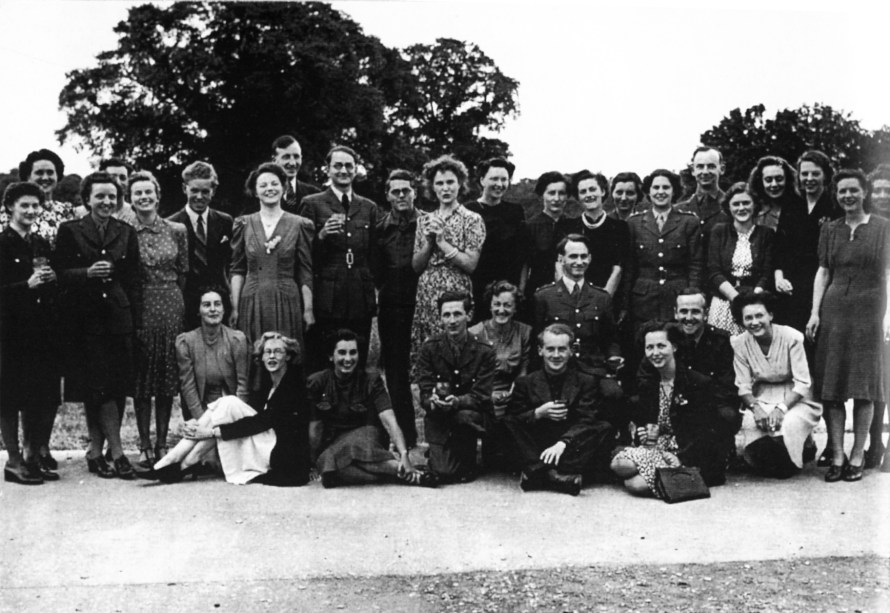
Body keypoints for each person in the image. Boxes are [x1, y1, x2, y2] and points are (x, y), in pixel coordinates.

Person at [53, 171, 142, 479]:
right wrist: (87, 273)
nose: (106, 201)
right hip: (85, 318)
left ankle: (95, 451)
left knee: (115, 385)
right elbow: (58, 273)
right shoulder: (70, 230)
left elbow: (134, 279)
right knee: (96, 384)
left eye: (111, 196)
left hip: (119, 318)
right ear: (87, 199)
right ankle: (117, 452)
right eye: (99, 196)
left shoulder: (126, 231)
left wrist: (136, 321)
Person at [806, 169, 890, 483]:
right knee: (832, 387)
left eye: (853, 191)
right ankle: (838, 454)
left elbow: (888, 274)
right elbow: (823, 272)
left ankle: (859, 453)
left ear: (864, 192)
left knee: (865, 386)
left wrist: (888, 315)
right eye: (842, 192)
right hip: (835, 310)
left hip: (870, 308)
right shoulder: (830, 228)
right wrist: (815, 313)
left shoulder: (883, 228)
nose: (848, 197)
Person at [143, 332, 311, 486]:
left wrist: (210, 432)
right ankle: (184, 463)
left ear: (288, 356)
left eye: (278, 352)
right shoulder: (270, 382)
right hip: (268, 442)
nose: (272, 356)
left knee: (229, 402)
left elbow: (261, 422)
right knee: (226, 404)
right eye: (268, 352)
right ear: (262, 357)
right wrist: (204, 428)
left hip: (282, 455)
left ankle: (176, 463)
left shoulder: (293, 385)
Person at [610, 321, 736, 496]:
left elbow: (707, 432)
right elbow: (646, 424)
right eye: (650, 348)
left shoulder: (698, 383)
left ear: (674, 347)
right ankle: (661, 475)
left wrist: (681, 458)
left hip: (689, 451)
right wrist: (643, 435)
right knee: (619, 464)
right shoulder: (648, 383)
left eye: (661, 346)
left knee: (634, 485)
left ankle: (664, 475)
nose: (655, 353)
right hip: (659, 448)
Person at [308, 329, 435, 488]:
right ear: (331, 356)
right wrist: (313, 462)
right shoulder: (317, 382)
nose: (348, 359)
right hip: (335, 443)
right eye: (342, 353)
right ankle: (403, 473)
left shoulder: (371, 380)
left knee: (351, 448)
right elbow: (315, 428)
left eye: (353, 353)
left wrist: (403, 453)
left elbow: (389, 420)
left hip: (367, 438)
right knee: (330, 471)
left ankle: (400, 467)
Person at [504, 323, 615, 495]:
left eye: (562, 349)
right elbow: (514, 417)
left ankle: (538, 474)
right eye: (550, 349)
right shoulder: (525, 382)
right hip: (538, 443)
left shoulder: (586, 381)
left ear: (571, 351)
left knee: (603, 427)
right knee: (508, 422)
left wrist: (564, 442)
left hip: (568, 446)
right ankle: (555, 476)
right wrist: (537, 413)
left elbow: (587, 419)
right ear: (540, 350)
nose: (556, 355)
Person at [0, 182, 60, 484]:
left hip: (40, 329)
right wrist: (27, 286)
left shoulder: (40, 242)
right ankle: (12, 460)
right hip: (10, 331)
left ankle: (31, 455)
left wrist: (50, 280)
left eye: (35, 206)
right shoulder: (2, 242)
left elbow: (48, 283)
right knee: (10, 396)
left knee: (40, 394)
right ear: (10, 206)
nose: (31, 211)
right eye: (24, 205)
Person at [129, 171, 189, 467]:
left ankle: (163, 442)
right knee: (142, 377)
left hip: (170, 302)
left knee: (166, 376)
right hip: (141, 304)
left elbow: (184, 271)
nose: (143, 198)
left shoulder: (177, 229)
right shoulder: (127, 231)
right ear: (131, 198)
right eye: (137, 193)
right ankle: (143, 444)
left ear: (157, 195)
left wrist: (174, 300)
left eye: (148, 192)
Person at [299, 146, 378, 367]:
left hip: (359, 295)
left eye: (348, 166)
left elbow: (374, 254)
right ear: (328, 169)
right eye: (338, 165)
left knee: (358, 355)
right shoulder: (312, 203)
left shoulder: (368, 207)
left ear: (355, 170)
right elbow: (304, 255)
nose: (343, 170)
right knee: (326, 355)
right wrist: (322, 235)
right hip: (328, 296)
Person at [731, 291, 820, 478]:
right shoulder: (739, 343)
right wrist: (755, 408)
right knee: (752, 425)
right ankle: (771, 457)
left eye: (759, 315)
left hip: (796, 396)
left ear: (770, 315)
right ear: (742, 320)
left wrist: (781, 409)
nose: (754, 322)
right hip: (762, 394)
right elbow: (743, 385)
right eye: (748, 318)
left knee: (788, 423)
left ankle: (802, 449)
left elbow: (803, 382)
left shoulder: (792, 337)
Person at [230, 162, 314, 352]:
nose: (270, 189)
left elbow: (305, 270)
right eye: (263, 185)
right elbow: (237, 269)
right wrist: (235, 307)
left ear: (284, 187)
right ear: (255, 191)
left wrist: (308, 309)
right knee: (254, 356)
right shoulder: (243, 224)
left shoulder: (299, 224)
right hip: (252, 300)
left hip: (287, 301)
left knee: (286, 355)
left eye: (274, 184)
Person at [410, 155, 485, 367]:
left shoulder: (472, 219)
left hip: (456, 290)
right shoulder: (424, 220)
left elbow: (470, 264)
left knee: (456, 351)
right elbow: (416, 266)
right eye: (440, 183)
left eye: (450, 182)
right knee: (428, 351)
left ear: (460, 184)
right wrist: (429, 242)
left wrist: (443, 242)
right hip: (427, 292)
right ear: (432, 187)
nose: (445, 188)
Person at [415, 292, 497, 483]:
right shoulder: (430, 348)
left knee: (463, 419)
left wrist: (457, 401)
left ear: (468, 316)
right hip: (440, 416)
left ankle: (466, 454)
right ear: (440, 318)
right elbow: (425, 391)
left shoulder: (485, 350)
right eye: (446, 315)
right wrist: (432, 400)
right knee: (443, 472)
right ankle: (442, 452)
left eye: (457, 314)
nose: (452, 320)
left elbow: (482, 395)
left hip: (471, 415)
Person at [373, 169, 421, 448]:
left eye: (406, 190)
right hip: (393, 306)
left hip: (425, 303)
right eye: (396, 191)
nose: (401, 195)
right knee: (396, 372)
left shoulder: (426, 223)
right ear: (388, 195)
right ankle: (407, 436)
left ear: (415, 192)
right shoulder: (380, 228)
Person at [625, 169, 703, 330]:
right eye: (656, 188)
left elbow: (695, 265)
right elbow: (630, 268)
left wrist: (692, 297)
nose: (661, 192)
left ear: (674, 191)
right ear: (648, 191)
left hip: (677, 296)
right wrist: (625, 304)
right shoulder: (634, 223)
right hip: (643, 300)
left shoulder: (689, 222)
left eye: (666, 188)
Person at [534, 234, 621, 378]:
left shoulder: (602, 297)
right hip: (557, 370)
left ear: (590, 258)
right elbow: (536, 340)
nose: (579, 262)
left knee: (614, 394)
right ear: (561, 259)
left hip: (593, 370)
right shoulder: (544, 297)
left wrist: (614, 357)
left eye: (583, 256)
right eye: (573, 256)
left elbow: (611, 339)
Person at [774, 150, 841, 335]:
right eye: (804, 174)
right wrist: (779, 278)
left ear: (825, 175)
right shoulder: (791, 204)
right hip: (790, 288)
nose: (809, 178)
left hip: (822, 287)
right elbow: (779, 248)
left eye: (815, 174)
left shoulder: (835, 206)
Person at [167, 161, 235, 333]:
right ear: (185, 189)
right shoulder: (171, 224)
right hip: (185, 301)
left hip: (219, 302)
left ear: (213, 191)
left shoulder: (225, 221)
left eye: (205, 191)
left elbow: (231, 264)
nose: (199, 196)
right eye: (194, 191)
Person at [706, 182, 776, 335]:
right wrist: (736, 298)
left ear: (755, 205)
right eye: (736, 204)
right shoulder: (719, 231)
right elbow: (714, 271)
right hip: (724, 301)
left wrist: (752, 300)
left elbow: (766, 272)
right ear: (729, 207)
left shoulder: (766, 234)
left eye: (746, 203)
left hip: (755, 304)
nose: (741, 208)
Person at [466, 158, 528, 319]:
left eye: (504, 179)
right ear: (482, 180)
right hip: (476, 289)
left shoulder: (515, 211)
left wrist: (520, 289)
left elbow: (522, 256)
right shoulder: (468, 211)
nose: (499, 184)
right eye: (494, 179)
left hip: (508, 292)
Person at [175, 288, 250, 422]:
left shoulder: (237, 340)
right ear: (198, 310)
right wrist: (201, 421)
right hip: (201, 411)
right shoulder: (187, 342)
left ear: (224, 309)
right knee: (193, 442)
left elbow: (242, 387)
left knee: (193, 443)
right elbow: (188, 387)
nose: (213, 309)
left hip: (231, 413)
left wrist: (235, 423)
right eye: (207, 305)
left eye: (217, 304)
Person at [0, 149, 84, 245]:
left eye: (50, 172)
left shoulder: (68, 211)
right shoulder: (10, 211)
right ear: (28, 176)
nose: (45, 178)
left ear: (58, 175)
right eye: (39, 172)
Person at [521, 171, 581, 303]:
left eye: (562, 193)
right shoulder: (529, 226)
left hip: (570, 293)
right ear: (542, 195)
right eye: (551, 193)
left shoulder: (575, 225)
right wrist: (520, 294)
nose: (557, 198)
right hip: (537, 291)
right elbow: (524, 265)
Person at [865, 164, 890, 469]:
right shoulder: (868, 225)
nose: (883, 195)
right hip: (875, 307)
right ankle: (875, 441)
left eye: (889, 189)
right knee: (878, 378)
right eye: (879, 189)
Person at [572, 170, 630, 297]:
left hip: (609, 298)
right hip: (574, 299)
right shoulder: (569, 226)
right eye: (583, 191)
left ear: (602, 191)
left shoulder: (620, 227)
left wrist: (603, 299)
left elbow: (618, 268)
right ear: (578, 197)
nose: (588, 195)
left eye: (592, 189)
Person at [676, 146, 729, 254]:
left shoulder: (733, 207)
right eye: (700, 167)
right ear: (693, 170)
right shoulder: (678, 210)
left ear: (722, 169)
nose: (705, 172)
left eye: (711, 166)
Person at [747, 155, 800, 231]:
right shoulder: (754, 213)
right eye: (768, 180)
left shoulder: (800, 208)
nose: (774, 184)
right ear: (760, 182)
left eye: (779, 179)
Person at [272, 135, 320, 213]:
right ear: (274, 160)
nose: (292, 163)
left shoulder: (315, 194)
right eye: (286, 157)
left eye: (296, 157)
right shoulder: (261, 194)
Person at [98, 157, 137, 225]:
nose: (118, 182)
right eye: (112, 177)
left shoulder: (137, 214)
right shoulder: (84, 213)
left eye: (122, 178)